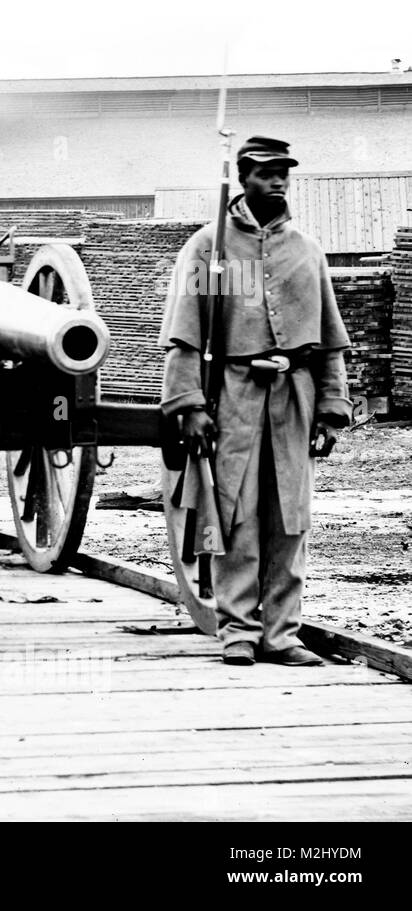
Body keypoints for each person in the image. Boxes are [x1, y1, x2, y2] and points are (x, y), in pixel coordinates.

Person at [158, 135, 352, 667]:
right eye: (265, 171)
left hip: (294, 396)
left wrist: (333, 409)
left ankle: (282, 634)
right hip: (234, 396)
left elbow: (330, 342)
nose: (278, 179)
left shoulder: (307, 251)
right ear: (242, 176)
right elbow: (184, 335)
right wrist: (190, 404)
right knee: (236, 515)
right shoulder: (208, 249)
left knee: (291, 518)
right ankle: (238, 631)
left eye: (284, 170)